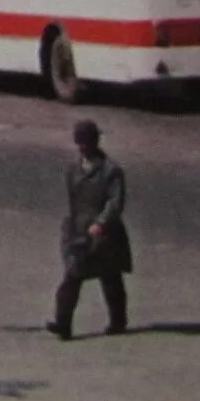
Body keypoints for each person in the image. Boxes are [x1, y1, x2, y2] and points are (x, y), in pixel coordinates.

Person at [47, 120, 130, 340]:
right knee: (72, 278)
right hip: (80, 233)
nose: (82, 147)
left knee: (111, 279)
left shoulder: (111, 171)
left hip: (105, 236)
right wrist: (70, 229)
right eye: (79, 143)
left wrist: (101, 223)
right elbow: (72, 203)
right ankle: (62, 324)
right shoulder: (73, 170)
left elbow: (115, 202)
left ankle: (118, 321)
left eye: (86, 142)